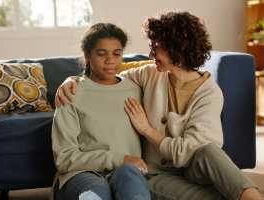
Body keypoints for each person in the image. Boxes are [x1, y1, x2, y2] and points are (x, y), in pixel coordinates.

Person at [55, 12, 264, 200]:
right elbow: (106, 78)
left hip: (195, 167)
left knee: (209, 150)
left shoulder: (209, 93)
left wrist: (147, 130)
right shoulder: (150, 74)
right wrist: (71, 81)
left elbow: (189, 152)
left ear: (177, 50)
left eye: (156, 48)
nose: (150, 54)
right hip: (156, 174)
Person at [51, 23, 151, 200]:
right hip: (81, 173)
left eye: (117, 53)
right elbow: (64, 158)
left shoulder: (136, 89)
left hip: (126, 171)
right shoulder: (70, 93)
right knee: (95, 195)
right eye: (101, 53)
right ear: (88, 55)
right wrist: (119, 158)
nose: (110, 60)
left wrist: (124, 163)